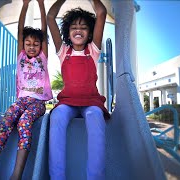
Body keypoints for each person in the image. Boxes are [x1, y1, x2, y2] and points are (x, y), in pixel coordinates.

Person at [0, 0, 52, 179]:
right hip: (20, 101)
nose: (32, 46)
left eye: (36, 44)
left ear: (41, 46)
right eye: (28, 43)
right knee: (4, 124)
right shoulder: (20, 57)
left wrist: (41, 5)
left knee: (24, 122)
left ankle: (16, 175)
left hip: (37, 102)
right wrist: (25, 5)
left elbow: (44, 30)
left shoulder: (42, 58)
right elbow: (20, 30)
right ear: (23, 45)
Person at [47, 0, 110, 179]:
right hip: (68, 103)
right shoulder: (63, 51)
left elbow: (102, 13)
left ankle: (95, 177)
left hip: (91, 102)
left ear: (90, 32)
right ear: (67, 32)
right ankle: (57, 176)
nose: (78, 30)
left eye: (83, 27)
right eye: (74, 27)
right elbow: (50, 17)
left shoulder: (93, 50)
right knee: (57, 116)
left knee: (94, 116)